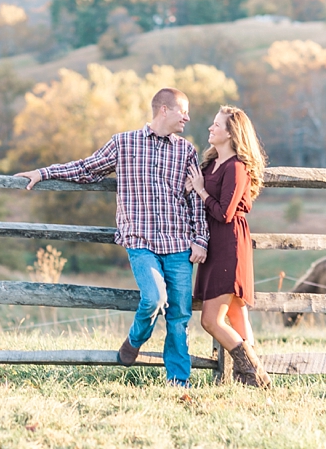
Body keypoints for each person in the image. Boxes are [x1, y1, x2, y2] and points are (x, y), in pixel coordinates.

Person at [15, 88, 209, 387]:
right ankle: (135, 340)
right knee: (154, 298)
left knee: (180, 314)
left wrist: (200, 239)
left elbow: (195, 199)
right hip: (139, 241)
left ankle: (178, 381)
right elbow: (86, 168)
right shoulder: (124, 143)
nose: (188, 117)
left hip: (178, 242)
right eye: (183, 110)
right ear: (164, 110)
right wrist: (43, 172)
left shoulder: (186, 151)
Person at [186, 105, 272, 388]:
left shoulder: (236, 168)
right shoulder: (211, 165)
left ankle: (250, 371)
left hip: (229, 244)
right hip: (214, 245)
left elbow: (224, 213)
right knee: (235, 314)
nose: (211, 128)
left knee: (211, 321)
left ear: (231, 133)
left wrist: (200, 190)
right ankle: (258, 378)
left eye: (217, 125)